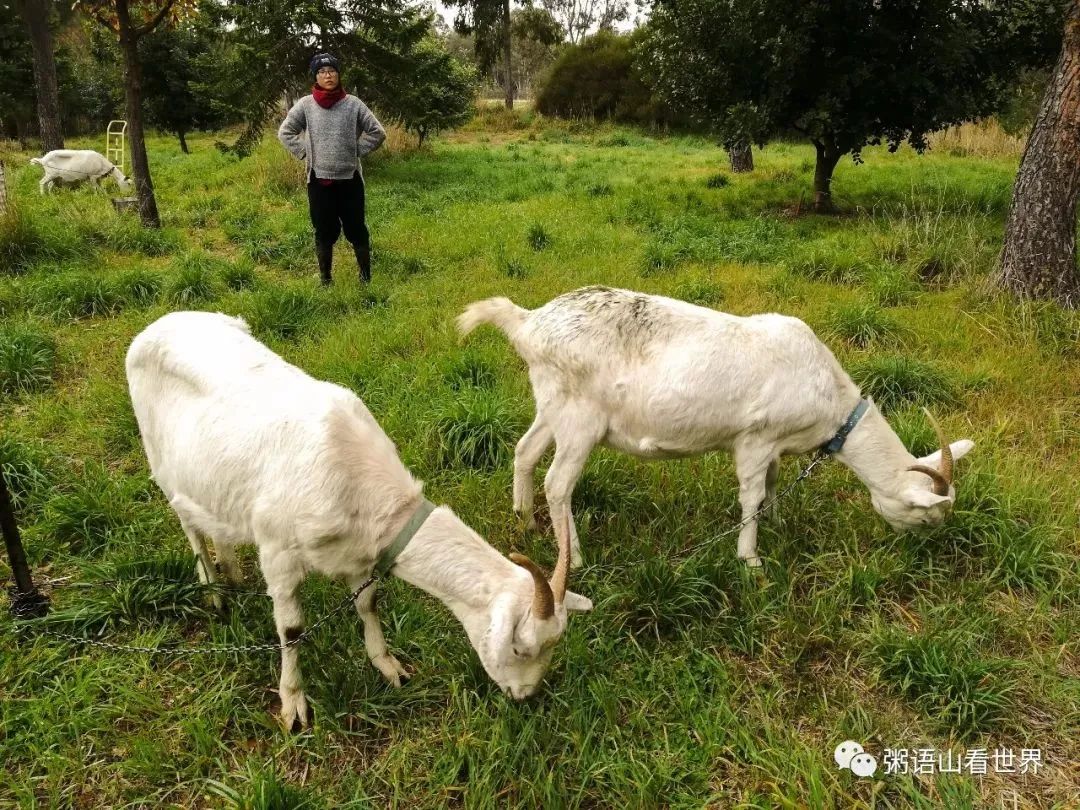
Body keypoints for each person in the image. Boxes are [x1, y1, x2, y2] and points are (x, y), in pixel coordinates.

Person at [278, 53, 386, 285]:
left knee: (357, 230)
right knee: (324, 233)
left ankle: (366, 278)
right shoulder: (306, 105)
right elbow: (285, 132)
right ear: (316, 77)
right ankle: (326, 280)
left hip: (350, 181)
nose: (328, 75)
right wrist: (306, 152)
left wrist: (355, 150)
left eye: (332, 71)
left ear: (338, 74)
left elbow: (378, 132)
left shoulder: (354, 104)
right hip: (319, 182)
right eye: (322, 72)